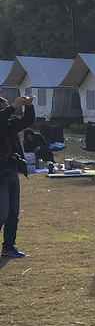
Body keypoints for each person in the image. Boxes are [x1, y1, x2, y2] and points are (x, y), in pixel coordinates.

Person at [0, 93, 36, 258]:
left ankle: (8, 247)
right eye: (4, 108)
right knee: (3, 213)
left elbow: (27, 121)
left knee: (13, 213)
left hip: (12, 172)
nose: (8, 112)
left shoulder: (10, 124)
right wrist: (13, 106)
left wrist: (28, 106)